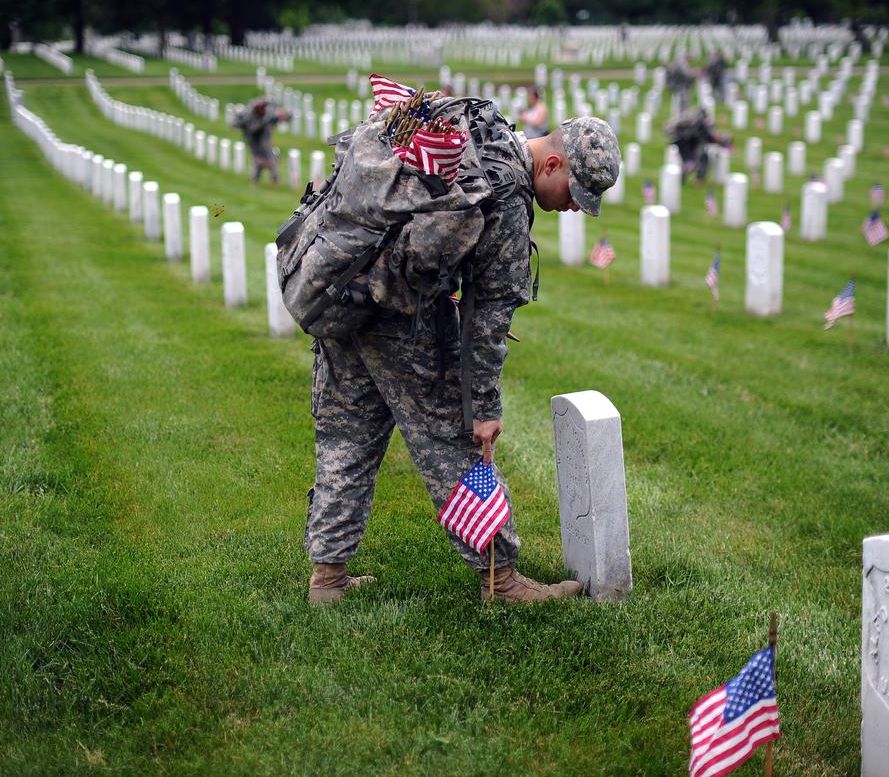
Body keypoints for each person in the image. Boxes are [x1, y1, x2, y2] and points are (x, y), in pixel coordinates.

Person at [305, 116, 621, 605]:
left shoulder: (475, 135)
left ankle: (327, 579)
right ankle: (500, 580)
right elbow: (491, 314)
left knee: (348, 437)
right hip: (403, 319)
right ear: (552, 163)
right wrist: (483, 405)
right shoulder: (506, 194)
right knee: (454, 444)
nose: (574, 208)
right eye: (573, 194)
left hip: (348, 292)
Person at [666, 106, 729, 183]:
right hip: (680, 136)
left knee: (692, 158)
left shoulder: (697, 117)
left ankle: (694, 175)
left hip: (685, 136)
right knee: (695, 158)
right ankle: (694, 176)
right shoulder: (699, 120)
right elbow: (707, 134)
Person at [234, 98, 288, 185]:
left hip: (264, 140)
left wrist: (279, 115)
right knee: (259, 161)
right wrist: (264, 122)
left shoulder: (268, 111)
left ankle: (273, 180)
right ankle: (256, 181)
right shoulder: (249, 117)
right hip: (254, 141)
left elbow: (280, 116)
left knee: (270, 159)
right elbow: (253, 129)